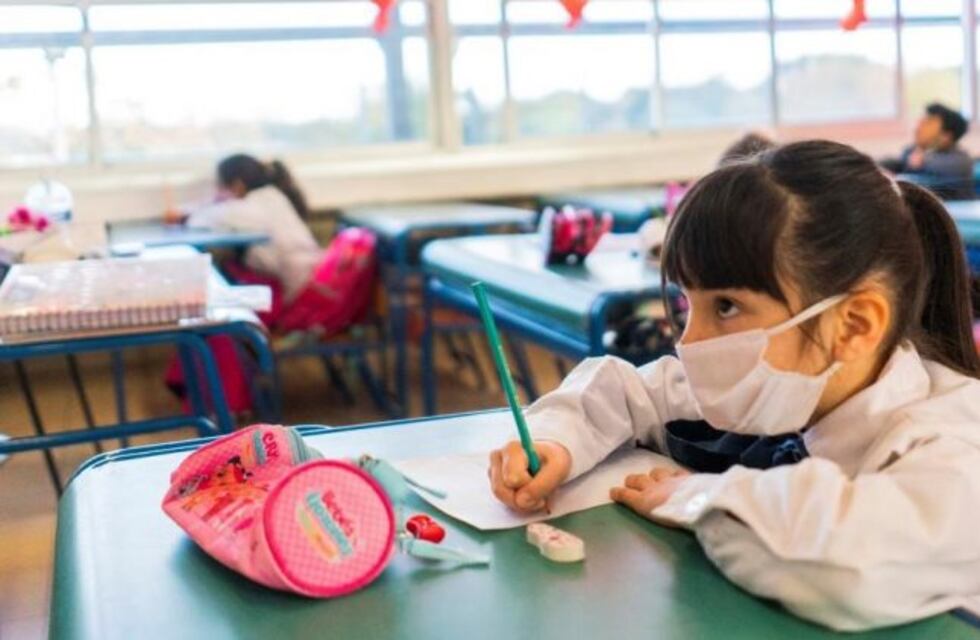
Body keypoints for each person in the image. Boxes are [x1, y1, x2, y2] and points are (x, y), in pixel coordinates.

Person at [489, 140, 980, 631]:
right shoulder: (792, 382)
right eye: (688, 305)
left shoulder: (954, 445)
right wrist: (557, 440)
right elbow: (631, 390)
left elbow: (843, 566)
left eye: (725, 307)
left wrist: (692, 498)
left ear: (853, 326)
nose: (690, 341)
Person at [166, 154, 320, 302]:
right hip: (304, 276)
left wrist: (203, 207)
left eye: (221, 186)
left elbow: (202, 220)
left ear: (237, 186)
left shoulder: (253, 206)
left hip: (297, 288)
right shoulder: (270, 196)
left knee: (226, 271)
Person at [881, 102, 974, 200]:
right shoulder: (913, 152)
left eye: (928, 124)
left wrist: (924, 159)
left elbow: (936, 164)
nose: (919, 128)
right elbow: (900, 162)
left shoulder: (961, 160)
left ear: (946, 136)